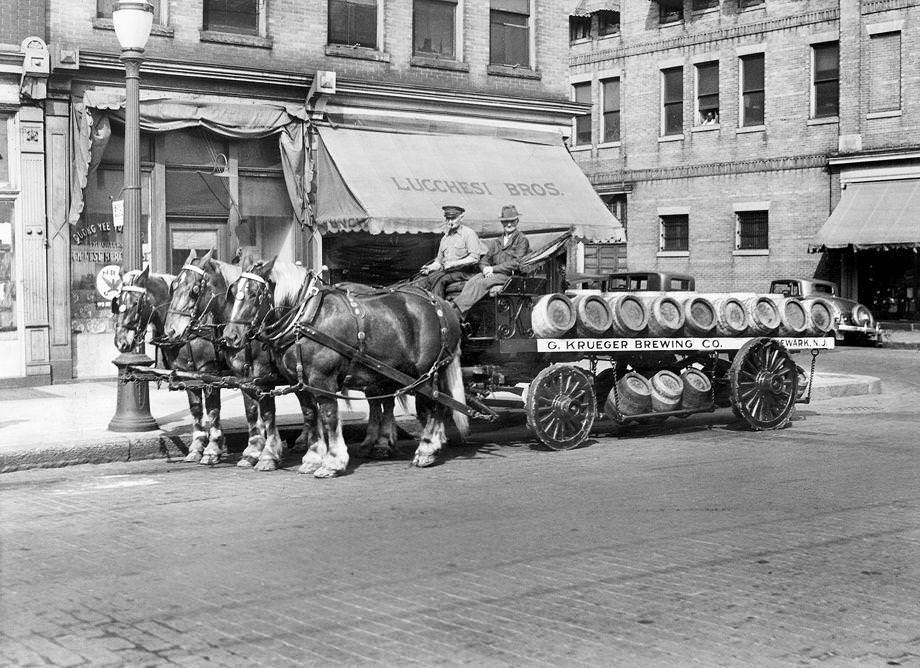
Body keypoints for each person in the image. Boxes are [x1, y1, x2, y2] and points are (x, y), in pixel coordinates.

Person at [453, 204, 530, 316]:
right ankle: (460, 312)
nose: (509, 224)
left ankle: (456, 311)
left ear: (517, 221)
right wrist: (485, 270)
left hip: (511, 277)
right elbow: (484, 259)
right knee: (472, 281)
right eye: (505, 221)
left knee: (482, 284)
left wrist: (492, 269)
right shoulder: (497, 241)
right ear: (502, 223)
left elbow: (516, 263)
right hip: (494, 274)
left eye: (512, 221)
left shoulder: (522, 240)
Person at [417, 205, 481, 299]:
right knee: (421, 280)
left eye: (453, 218)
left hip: (465, 273)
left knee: (440, 280)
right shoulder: (445, 238)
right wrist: (430, 268)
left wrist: (453, 264)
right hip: (448, 272)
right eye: (447, 219)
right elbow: (439, 262)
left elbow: (474, 258)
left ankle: (438, 308)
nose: (450, 222)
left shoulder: (468, 234)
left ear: (461, 217)